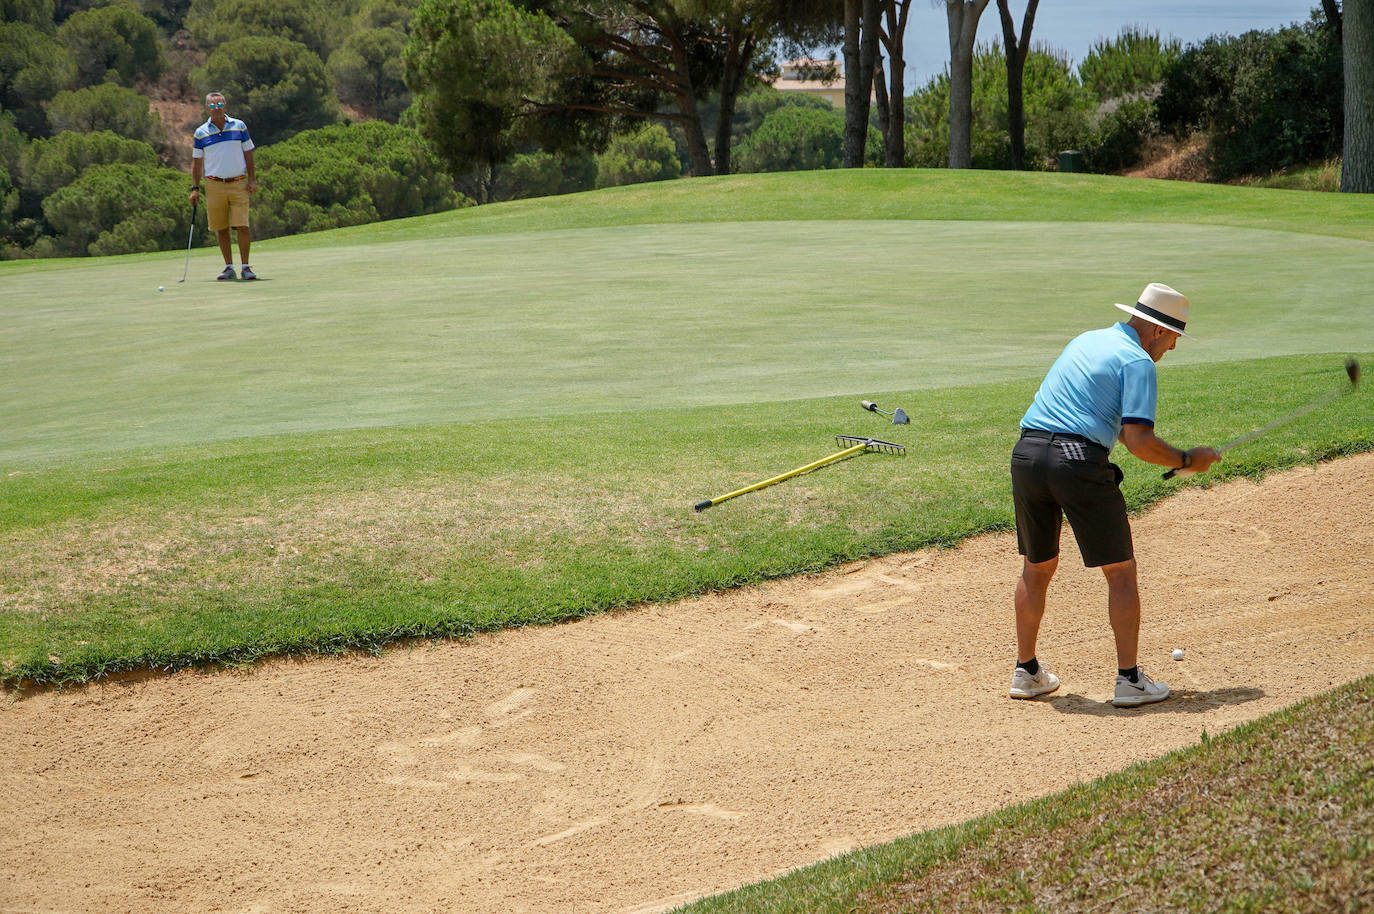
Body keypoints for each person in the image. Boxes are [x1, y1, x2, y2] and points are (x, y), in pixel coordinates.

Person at [1007, 283, 1221, 708]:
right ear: (1159, 331)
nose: (1173, 349)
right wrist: (1185, 458)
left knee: (1038, 567)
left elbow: (1116, 430)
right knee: (1120, 571)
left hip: (1027, 455)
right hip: (1077, 462)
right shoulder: (1138, 361)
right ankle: (1129, 680)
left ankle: (1026, 672)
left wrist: (1178, 458)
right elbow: (1139, 441)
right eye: (1175, 338)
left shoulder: (1088, 339)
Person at [189, 92, 258, 281]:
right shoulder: (201, 132)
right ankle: (229, 266)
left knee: (242, 225)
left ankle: (246, 267)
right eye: (212, 106)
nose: (216, 108)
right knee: (221, 228)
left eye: (219, 105)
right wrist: (194, 189)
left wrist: (252, 180)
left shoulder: (239, 126)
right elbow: (197, 163)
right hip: (214, 184)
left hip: (238, 182)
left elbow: (249, 155)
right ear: (206, 108)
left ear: (225, 106)